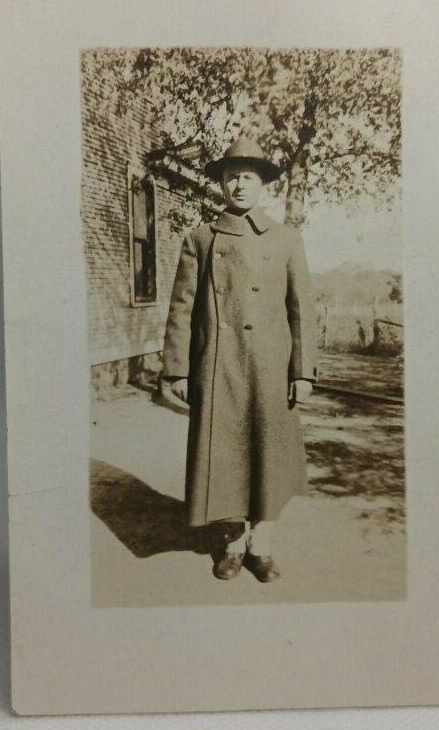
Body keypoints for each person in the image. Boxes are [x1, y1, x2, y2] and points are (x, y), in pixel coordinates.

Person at [162, 137, 318, 583]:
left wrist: (303, 370)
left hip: (270, 368)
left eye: (248, 177)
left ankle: (261, 546)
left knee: (268, 456)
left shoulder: (287, 239)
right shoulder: (201, 239)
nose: (239, 185)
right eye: (231, 177)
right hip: (220, 367)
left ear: (262, 184)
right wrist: (176, 367)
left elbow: (301, 307)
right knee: (226, 454)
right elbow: (182, 307)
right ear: (221, 185)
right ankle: (231, 543)